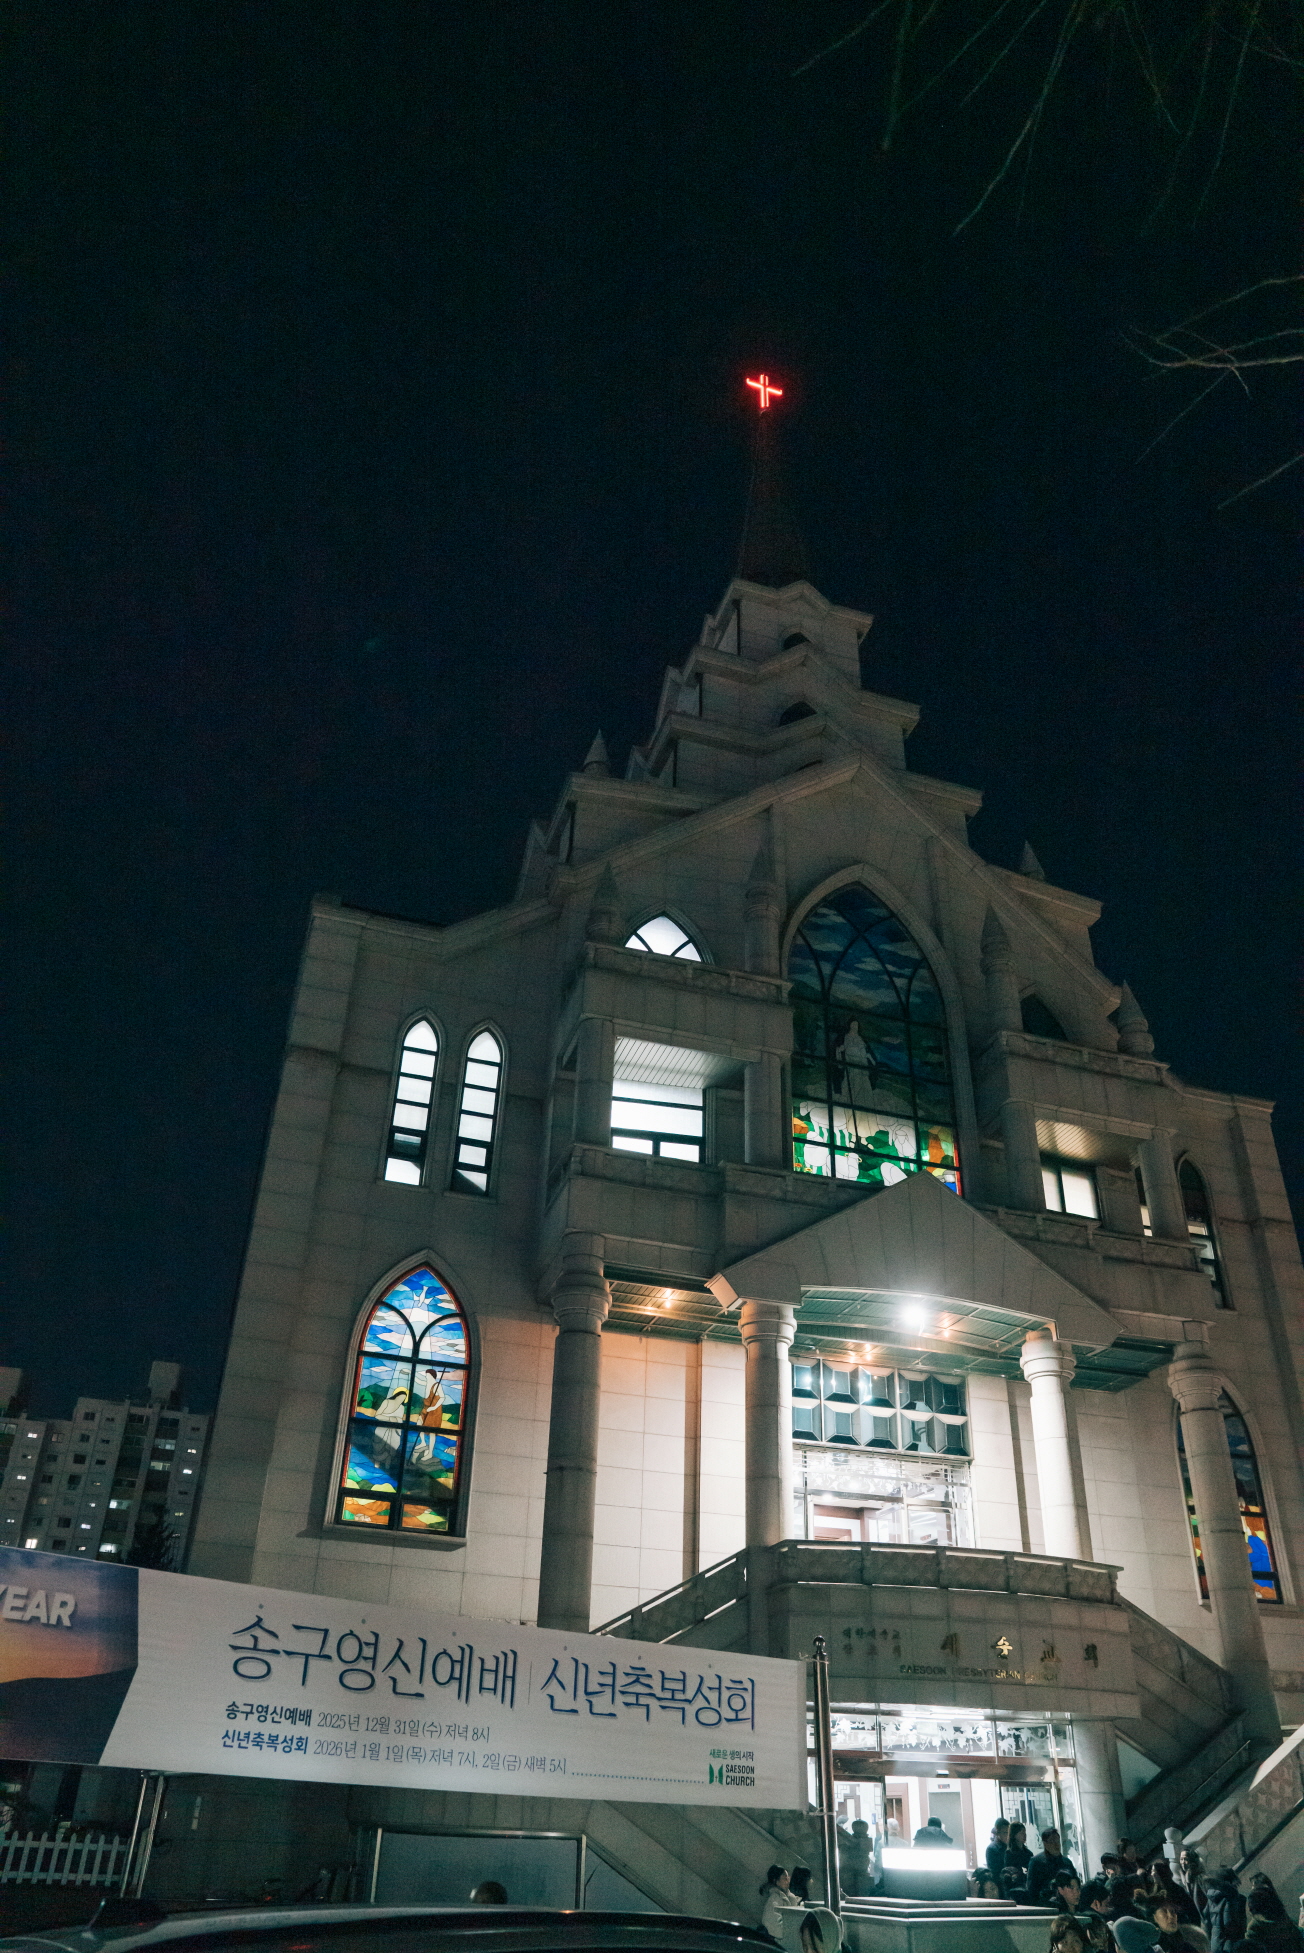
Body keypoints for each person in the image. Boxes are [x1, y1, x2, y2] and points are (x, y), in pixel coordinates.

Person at [1027, 1829, 1079, 1908]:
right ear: (1045, 1844)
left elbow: (1075, 1882)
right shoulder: (1037, 1862)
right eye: (1052, 1841)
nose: (1056, 1845)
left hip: (1067, 1903)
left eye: (1058, 1841)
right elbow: (1032, 1888)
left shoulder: (1067, 1862)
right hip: (1046, 1903)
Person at [1202, 1869, 1247, 1953]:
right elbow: (1229, 1923)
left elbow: (1206, 1921)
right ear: (1229, 1882)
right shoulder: (1232, 1898)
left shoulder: (1212, 1897)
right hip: (1230, 1945)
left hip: (1215, 1942)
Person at [761, 1866, 804, 1942]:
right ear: (776, 1881)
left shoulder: (788, 1897)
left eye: (788, 1878)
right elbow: (773, 1924)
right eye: (785, 1878)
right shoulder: (774, 1898)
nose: (788, 1881)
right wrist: (789, 1935)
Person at [1002, 1822, 1033, 1899]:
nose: (1024, 1835)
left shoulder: (1028, 1853)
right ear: (1015, 1835)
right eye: (1021, 1833)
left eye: (1025, 1833)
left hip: (1027, 1886)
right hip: (1016, 1888)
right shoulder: (1009, 1853)